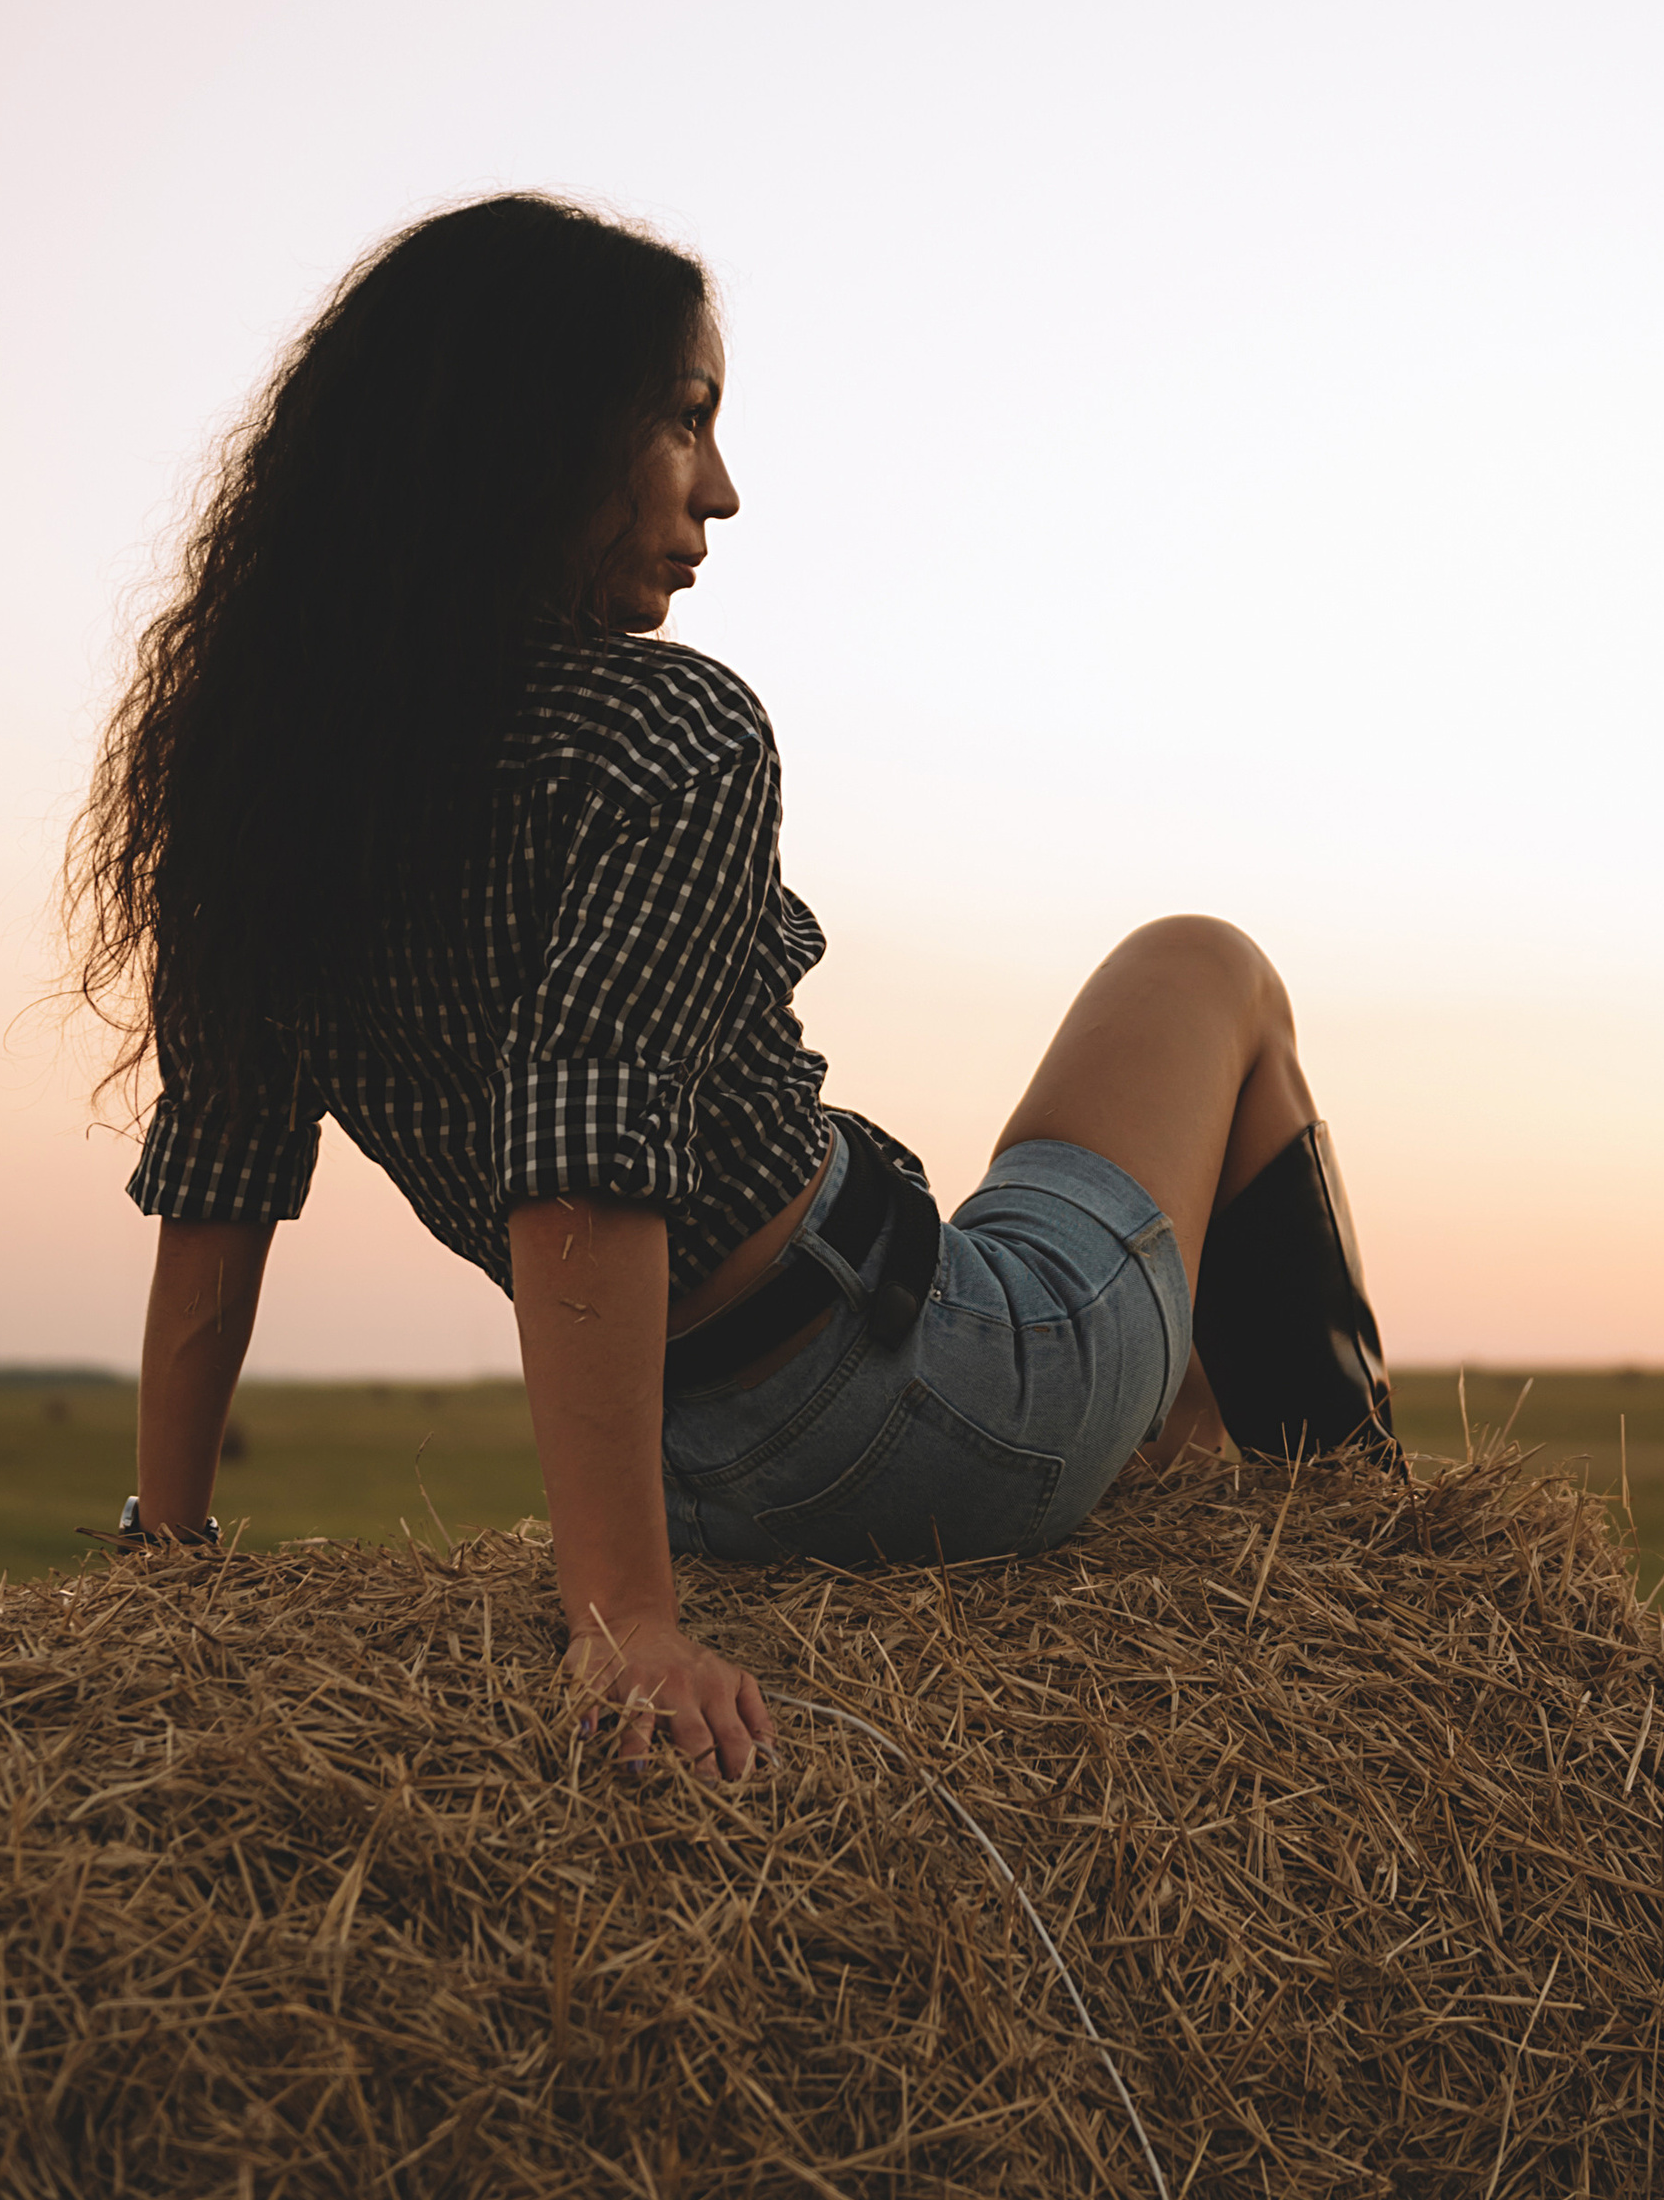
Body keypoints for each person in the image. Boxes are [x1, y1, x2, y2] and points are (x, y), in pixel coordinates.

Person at [70, 195, 1392, 1784]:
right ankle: (1378, 1572)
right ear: (533, 435)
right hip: (933, 1406)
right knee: (1206, 964)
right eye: (685, 418)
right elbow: (584, 1152)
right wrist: (622, 1618)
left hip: (692, 1466)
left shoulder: (278, 794)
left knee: (1094, 1195)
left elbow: (220, 1183)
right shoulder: (669, 733)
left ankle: (1212, 1491)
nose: (724, 488)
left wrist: (173, 1539)